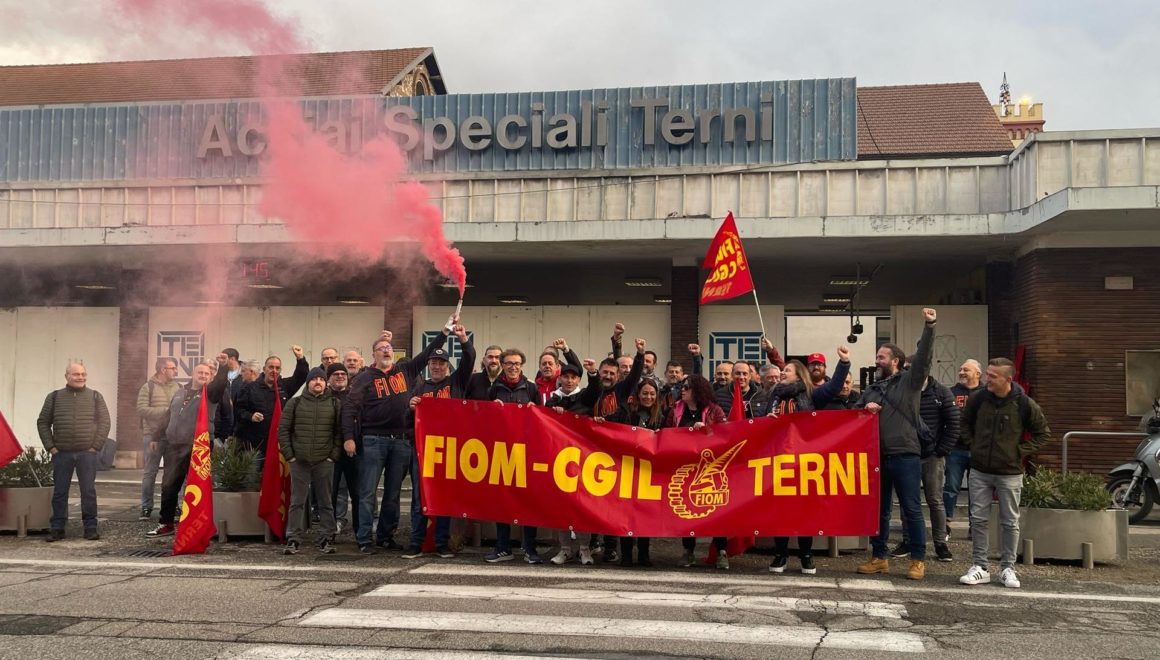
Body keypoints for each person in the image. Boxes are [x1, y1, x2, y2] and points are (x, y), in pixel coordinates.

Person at [343, 322, 453, 554]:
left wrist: (444, 332)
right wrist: (348, 437)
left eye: (389, 348)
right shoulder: (364, 378)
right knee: (368, 492)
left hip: (401, 441)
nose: (386, 351)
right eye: (381, 348)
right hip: (373, 439)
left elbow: (427, 353)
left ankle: (386, 536)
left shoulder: (405, 370)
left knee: (392, 494)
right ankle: (364, 539)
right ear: (373, 354)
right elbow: (350, 408)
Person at [856, 307, 937, 581]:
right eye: (877, 357)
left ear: (896, 361)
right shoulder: (872, 389)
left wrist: (930, 327)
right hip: (878, 457)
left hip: (905, 454)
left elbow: (924, 357)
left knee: (911, 508)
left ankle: (917, 560)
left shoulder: (910, 382)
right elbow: (852, 416)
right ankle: (879, 557)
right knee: (880, 510)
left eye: (881, 357)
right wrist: (863, 408)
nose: (876, 361)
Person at [959, 358, 1051, 590]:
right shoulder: (978, 399)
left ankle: (1008, 567)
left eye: (993, 376)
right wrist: (973, 446)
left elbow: (1043, 434)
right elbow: (964, 423)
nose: (987, 379)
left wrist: (1019, 452)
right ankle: (980, 566)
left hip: (1009, 472)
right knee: (978, 519)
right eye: (987, 374)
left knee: (1010, 521)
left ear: (1008, 379)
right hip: (980, 469)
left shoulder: (1024, 404)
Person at [766, 349, 851, 575]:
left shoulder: (811, 394)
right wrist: (768, 420)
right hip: (778, 459)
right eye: (782, 370)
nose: (782, 373)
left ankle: (806, 554)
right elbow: (761, 424)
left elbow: (834, 387)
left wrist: (844, 362)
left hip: (804, 461)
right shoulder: (774, 395)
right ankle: (781, 554)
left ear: (798, 375)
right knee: (780, 509)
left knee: (804, 509)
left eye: (787, 370)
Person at [403, 322, 475, 559]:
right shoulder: (419, 387)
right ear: (428, 365)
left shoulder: (456, 382)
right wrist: (410, 408)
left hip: (449, 450)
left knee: (443, 497)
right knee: (419, 498)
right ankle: (416, 542)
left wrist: (463, 339)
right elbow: (406, 421)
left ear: (447, 366)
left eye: (441, 363)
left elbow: (469, 358)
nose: (436, 366)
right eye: (433, 362)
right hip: (422, 451)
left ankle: (441, 542)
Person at [146, 358, 229, 538]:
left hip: (199, 447)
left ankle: (198, 525)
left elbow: (220, 383)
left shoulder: (211, 394)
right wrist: (156, 436)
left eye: (207, 374)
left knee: (197, 486)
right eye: (200, 372)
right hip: (174, 445)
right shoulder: (179, 392)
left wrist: (223, 367)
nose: (203, 376)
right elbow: (168, 415)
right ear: (192, 374)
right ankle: (166, 524)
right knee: (169, 485)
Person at [37, 362, 111, 542]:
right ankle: (57, 528)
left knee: (88, 492)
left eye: (83, 374)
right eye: (76, 374)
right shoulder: (54, 397)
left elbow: (105, 422)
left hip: (87, 453)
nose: (81, 377)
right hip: (61, 453)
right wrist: (51, 447)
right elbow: (43, 422)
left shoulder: (95, 396)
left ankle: (90, 528)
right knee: (60, 492)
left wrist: (95, 446)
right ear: (67, 376)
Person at [892, 374, 959, 562]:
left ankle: (940, 543)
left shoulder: (941, 392)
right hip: (907, 453)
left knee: (935, 500)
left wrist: (941, 450)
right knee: (907, 501)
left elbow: (953, 423)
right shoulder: (901, 391)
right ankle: (908, 541)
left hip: (932, 456)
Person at [485, 348, 543, 564]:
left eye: (517, 363)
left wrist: (535, 409)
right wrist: (492, 409)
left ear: (522, 365)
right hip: (501, 452)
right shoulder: (494, 388)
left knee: (529, 501)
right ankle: (503, 547)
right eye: (509, 363)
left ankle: (530, 549)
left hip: (526, 451)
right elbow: (485, 417)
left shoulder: (531, 388)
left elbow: (543, 420)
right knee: (503, 500)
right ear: (502, 365)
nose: (513, 367)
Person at [664, 374, 728, 569]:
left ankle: (721, 551)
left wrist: (707, 429)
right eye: (682, 387)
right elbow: (666, 432)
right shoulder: (675, 410)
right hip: (684, 467)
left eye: (686, 387)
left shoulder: (714, 410)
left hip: (709, 466)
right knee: (687, 509)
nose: (682, 390)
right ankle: (688, 550)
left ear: (697, 391)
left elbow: (726, 435)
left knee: (716, 509)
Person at [278, 367, 341, 555]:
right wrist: (290, 456)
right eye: (314, 379)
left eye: (321, 379)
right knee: (297, 502)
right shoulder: (295, 402)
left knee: (326, 502)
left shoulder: (335, 403)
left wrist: (332, 456)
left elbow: (339, 432)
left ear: (326, 383)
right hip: (299, 461)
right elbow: (283, 430)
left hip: (324, 461)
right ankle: (293, 539)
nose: (318, 382)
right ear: (308, 383)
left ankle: (326, 538)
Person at [609, 378, 666, 567]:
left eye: (652, 394)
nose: (648, 397)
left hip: (649, 472)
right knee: (626, 513)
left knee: (645, 514)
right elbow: (611, 428)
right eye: (645, 393)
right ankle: (626, 555)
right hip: (627, 469)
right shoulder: (625, 411)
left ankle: (644, 554)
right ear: (638, 394)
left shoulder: (661, 415)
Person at [546, 362, 597, 565]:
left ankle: (585, 549)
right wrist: (553, 412)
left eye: (573, 377)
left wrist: (592, 372)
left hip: (583, 460)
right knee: (562, 508)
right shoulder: (552, 400)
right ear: (560, 378)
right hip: (559, 461)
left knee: (582, 507)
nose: (569, 381)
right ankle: (565, 549)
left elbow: (595, 388)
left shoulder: (584, 397)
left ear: (578, 380)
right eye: (565, 377)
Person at [234, 346, 309, 453]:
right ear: (264, 369)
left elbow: (302, 376)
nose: (274, 371)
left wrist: (300, 358)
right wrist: (251, 416)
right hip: (254, 445)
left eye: (277, 368)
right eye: (271, 367)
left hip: (277, 443)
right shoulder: (249, 388)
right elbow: (238, 411)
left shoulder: (285, 386)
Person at [136, 357, 181, 520]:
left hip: (172, 437)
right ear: (163, 370)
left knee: (172, 474)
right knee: (150, 472)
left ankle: (172, 506)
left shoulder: (178, 387)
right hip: (152, 436)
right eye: (173, 368)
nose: (176, 371)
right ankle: (146, 507)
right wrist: (166, 411)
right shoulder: (148, 387)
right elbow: (141, 409)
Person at [944, 359, 983, 540]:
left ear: (977, 374)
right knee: (951, 488)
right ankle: (946, 525)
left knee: (976, 491)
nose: (961, 372)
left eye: (966, 370)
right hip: (955, 449)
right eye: (960, 369)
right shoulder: (951, 393)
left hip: (978, 450)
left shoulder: (986, 394)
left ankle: (974, 527)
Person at [326, 363, 357, 536]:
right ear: (328, 378)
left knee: (357, 493)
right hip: (330, 452)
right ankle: (329, 531)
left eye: (343, 374)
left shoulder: (355, 396)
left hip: (353, 451)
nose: (340, 376)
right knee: (330, 494)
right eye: (335, 374)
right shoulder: (323, 397)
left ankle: (360, 532)